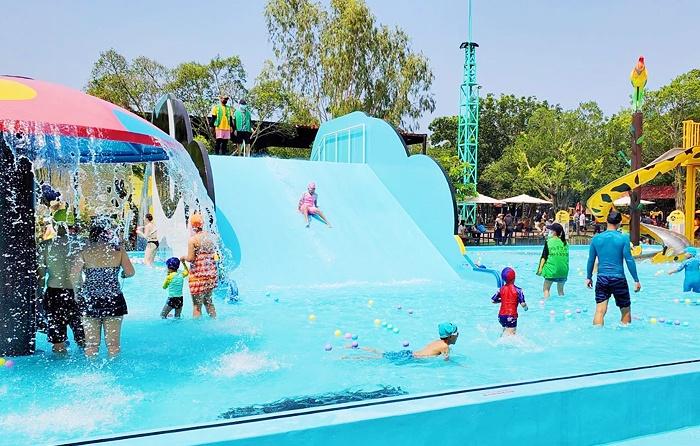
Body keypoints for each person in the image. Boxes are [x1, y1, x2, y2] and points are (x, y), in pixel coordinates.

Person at [72, 218, 135, 358]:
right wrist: (123, 274)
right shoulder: (118, 251)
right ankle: (114, 369)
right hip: (114, 299)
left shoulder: (84, 251)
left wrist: (77, 293)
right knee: (113, 345)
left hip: (90, 300)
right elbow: (130, 272)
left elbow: (74, 276)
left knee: (91, 345)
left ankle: (91, 369)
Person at [586, 211, 641, 326]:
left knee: (600, 311)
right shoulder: (623, 238)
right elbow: (629, 260)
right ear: (620, 223)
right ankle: (625, 334)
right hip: (618, 278)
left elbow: (591, 260)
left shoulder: (596, 238)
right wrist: (636, 280)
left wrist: (588, 277)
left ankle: (597, 333)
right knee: (625, 311)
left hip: (602, 278)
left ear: (606, 221)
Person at [37, 224, 85, 353]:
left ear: (54, 226)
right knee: (84, 338)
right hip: (76, 292)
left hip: (54, 294)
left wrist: (38, 295)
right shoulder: (80, 245)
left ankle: (60, 361)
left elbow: (41, 275)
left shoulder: (45, 245)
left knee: (58, 340)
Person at [349, 323, 459, 362]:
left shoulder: (437, 342)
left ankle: (359, 348)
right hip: (411, 359)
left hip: (409, 353)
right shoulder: (445, 347)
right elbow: (446, 361)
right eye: (456, 333)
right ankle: (354, 358)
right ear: (450, 336)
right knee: (378, 358)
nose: (458, 334)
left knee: (383, 354)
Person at [181, 213, 218, 318]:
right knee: (209, 302)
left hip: (198, 276)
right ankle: (214, 320)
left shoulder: (193, 240)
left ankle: (197, 326)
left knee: (197, 305)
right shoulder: (210, 238)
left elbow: (191, 258)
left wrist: (183, 258)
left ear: (192, 226)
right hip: (210, 274)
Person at [536, 222, 569, 299]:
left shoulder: (549, 241)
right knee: (561, 291)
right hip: (564, 271)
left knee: (546, 289)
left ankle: (547, 304)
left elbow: (544, 257)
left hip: (552, 271)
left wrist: (540, 269)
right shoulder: (565, 243)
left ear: (554, 232)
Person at [491, 267, 528, 335]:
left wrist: (502, 300)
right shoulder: (518, 290)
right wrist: (526, 308)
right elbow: (523, 304)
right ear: (514, 278)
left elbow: (493, 300)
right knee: (511, 336)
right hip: (511, 316)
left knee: (504, 332)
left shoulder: (501, 289)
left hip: (501, 316)